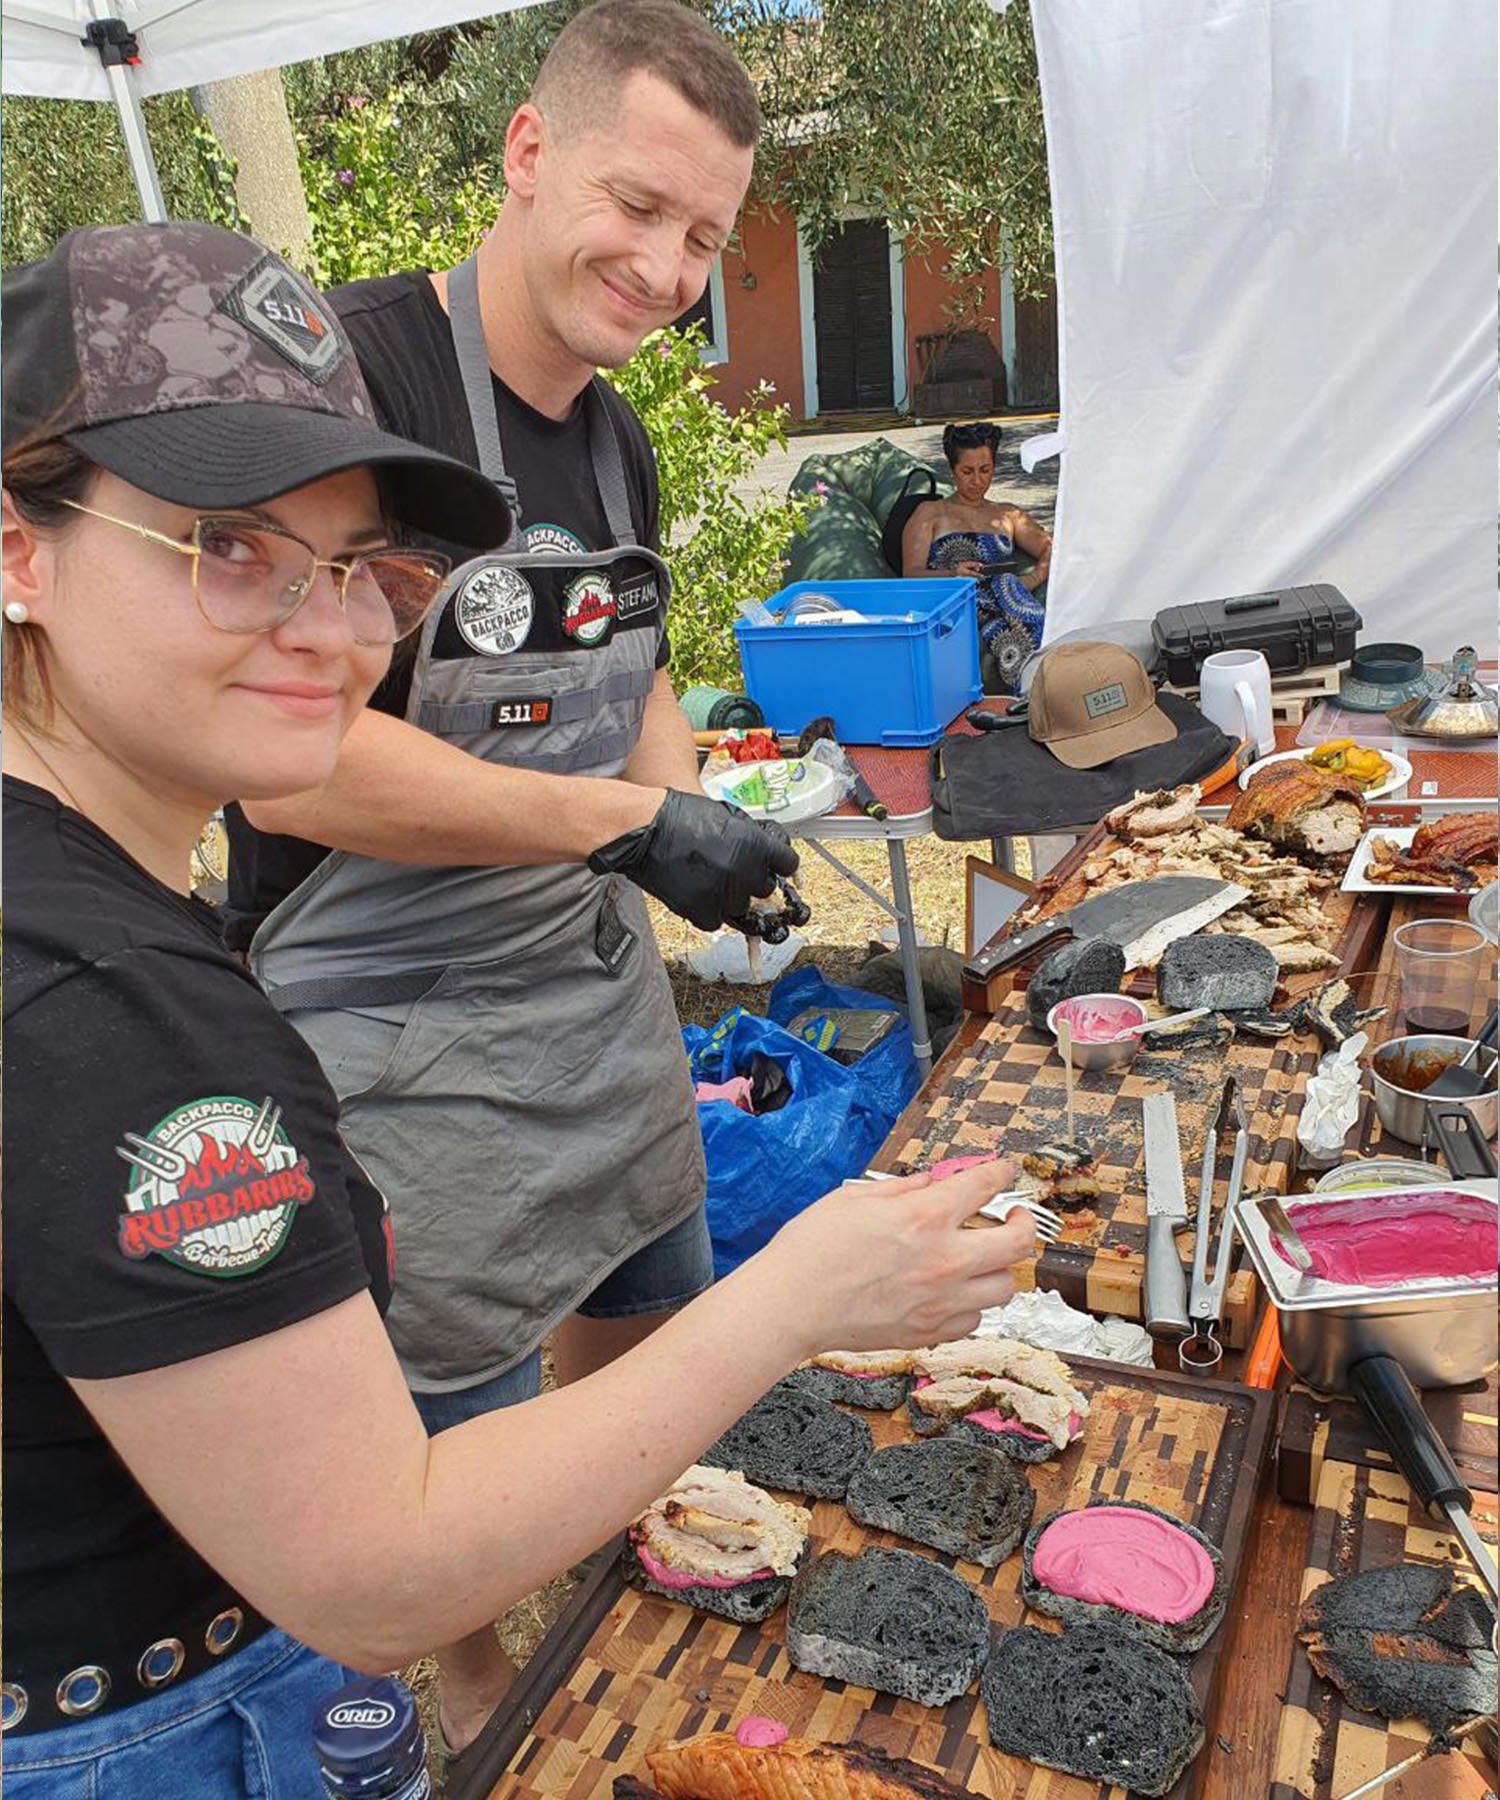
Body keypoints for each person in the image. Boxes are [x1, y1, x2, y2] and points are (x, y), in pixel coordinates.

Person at [1, 220, 1035, 1799]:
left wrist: (679, 815)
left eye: (366, 571)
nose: (337, 632)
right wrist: (800, 1294)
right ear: (20, 546)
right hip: (145, 1732)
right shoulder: (126, 1022)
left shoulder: (84, 902)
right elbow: (383, 1570)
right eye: (228, 546)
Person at [221, 0, 795, 1756]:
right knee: (444, 1421)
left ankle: (617, 1584)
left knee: (652, 1302)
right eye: (638, 206)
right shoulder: (355, 382)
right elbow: (300, 747)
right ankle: (472, 1689)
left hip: (580, 974)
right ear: (527, 153)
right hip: (384, 1003)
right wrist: (624, 833)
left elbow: (640, 686)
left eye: (703, 236)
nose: (668, 266)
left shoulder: (611, 432)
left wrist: (696, 811)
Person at [901, 420, 1053, 695]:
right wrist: (953, 574)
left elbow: (1050, 546)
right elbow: (910, 574)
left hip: (1006, 601)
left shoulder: (1007, 514)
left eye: (985, 470)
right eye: (967, 471)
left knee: (1006, 591)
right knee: (1006, 618)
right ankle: (1036, 690)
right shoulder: (930, 513)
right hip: (956, 604)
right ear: (952, 471)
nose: (978, 480)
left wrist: (1033, 577)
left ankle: (1043, 687)